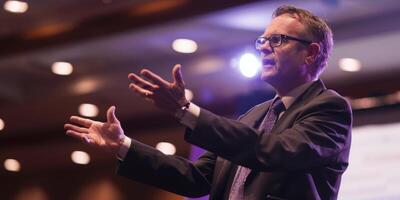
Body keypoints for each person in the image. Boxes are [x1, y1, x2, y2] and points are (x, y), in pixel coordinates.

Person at [65, 5, 352, 200]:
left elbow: (275, 151)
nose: (264, 47)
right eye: (262, 40)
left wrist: (185, 111)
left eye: (277, 40)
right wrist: (124, 146)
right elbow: (196, 178)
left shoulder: (329, 108)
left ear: (311, 53)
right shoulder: (255, 116)